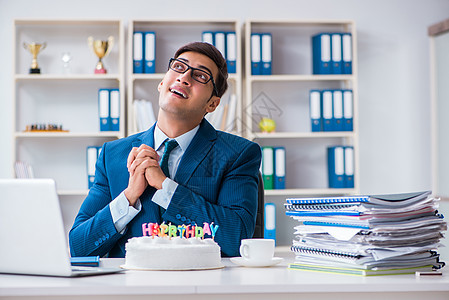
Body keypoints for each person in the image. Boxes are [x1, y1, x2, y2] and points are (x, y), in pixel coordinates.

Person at [69, 42, 262, 258]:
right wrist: (130, 196)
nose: (184, 77)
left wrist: (165, 186)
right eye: (179, 67)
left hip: (200, 285)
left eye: (200, 76)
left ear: (212, 104)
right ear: (162, 83)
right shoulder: (112, 155)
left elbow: (237, 239)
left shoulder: (238, 154)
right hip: (129, 287)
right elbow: (79, 247)